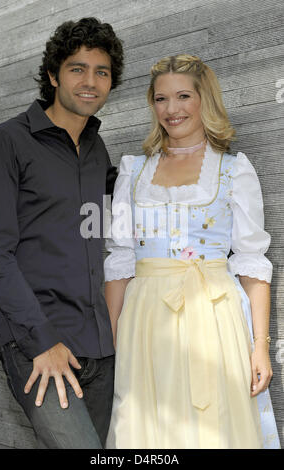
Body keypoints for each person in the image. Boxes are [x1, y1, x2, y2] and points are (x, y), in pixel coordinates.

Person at [104, 54, 280, 449]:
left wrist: (260, 347)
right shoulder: (132, 171)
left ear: (205, 100)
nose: (171, 109)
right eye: (160, 98)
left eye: (183, 96)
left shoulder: (234, 169)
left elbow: (252, 263)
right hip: (144, 323)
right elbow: (119, 262)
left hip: (214, 320)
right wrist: (117, 345)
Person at [0, 17, 123, 449]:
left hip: (100, 343)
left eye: (101, 71)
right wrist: (42, 341)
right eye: (77, 68)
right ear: (52, 75)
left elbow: (113, 216)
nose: (90, 81)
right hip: (38, 340)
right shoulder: (9, 141)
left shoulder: (97, 149)